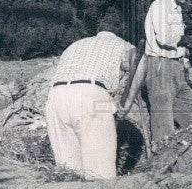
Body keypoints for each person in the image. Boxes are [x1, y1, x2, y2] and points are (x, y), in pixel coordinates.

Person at [45, 31, 137, 180]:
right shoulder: (121, 44)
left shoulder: (75, 45)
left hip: (56, 96)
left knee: (69, 171)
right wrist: (126, 104)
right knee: (100, 174)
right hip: (92, 94)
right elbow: (139, 61)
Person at [142, 0, 192, 145]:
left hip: (176, 68)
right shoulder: (160, 6)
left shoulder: (176, 9)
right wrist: (184, 39)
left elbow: (177, 46)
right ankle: (162, 166)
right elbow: (164, 38)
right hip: (161, 68)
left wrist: (186, 65)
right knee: (164, 128)